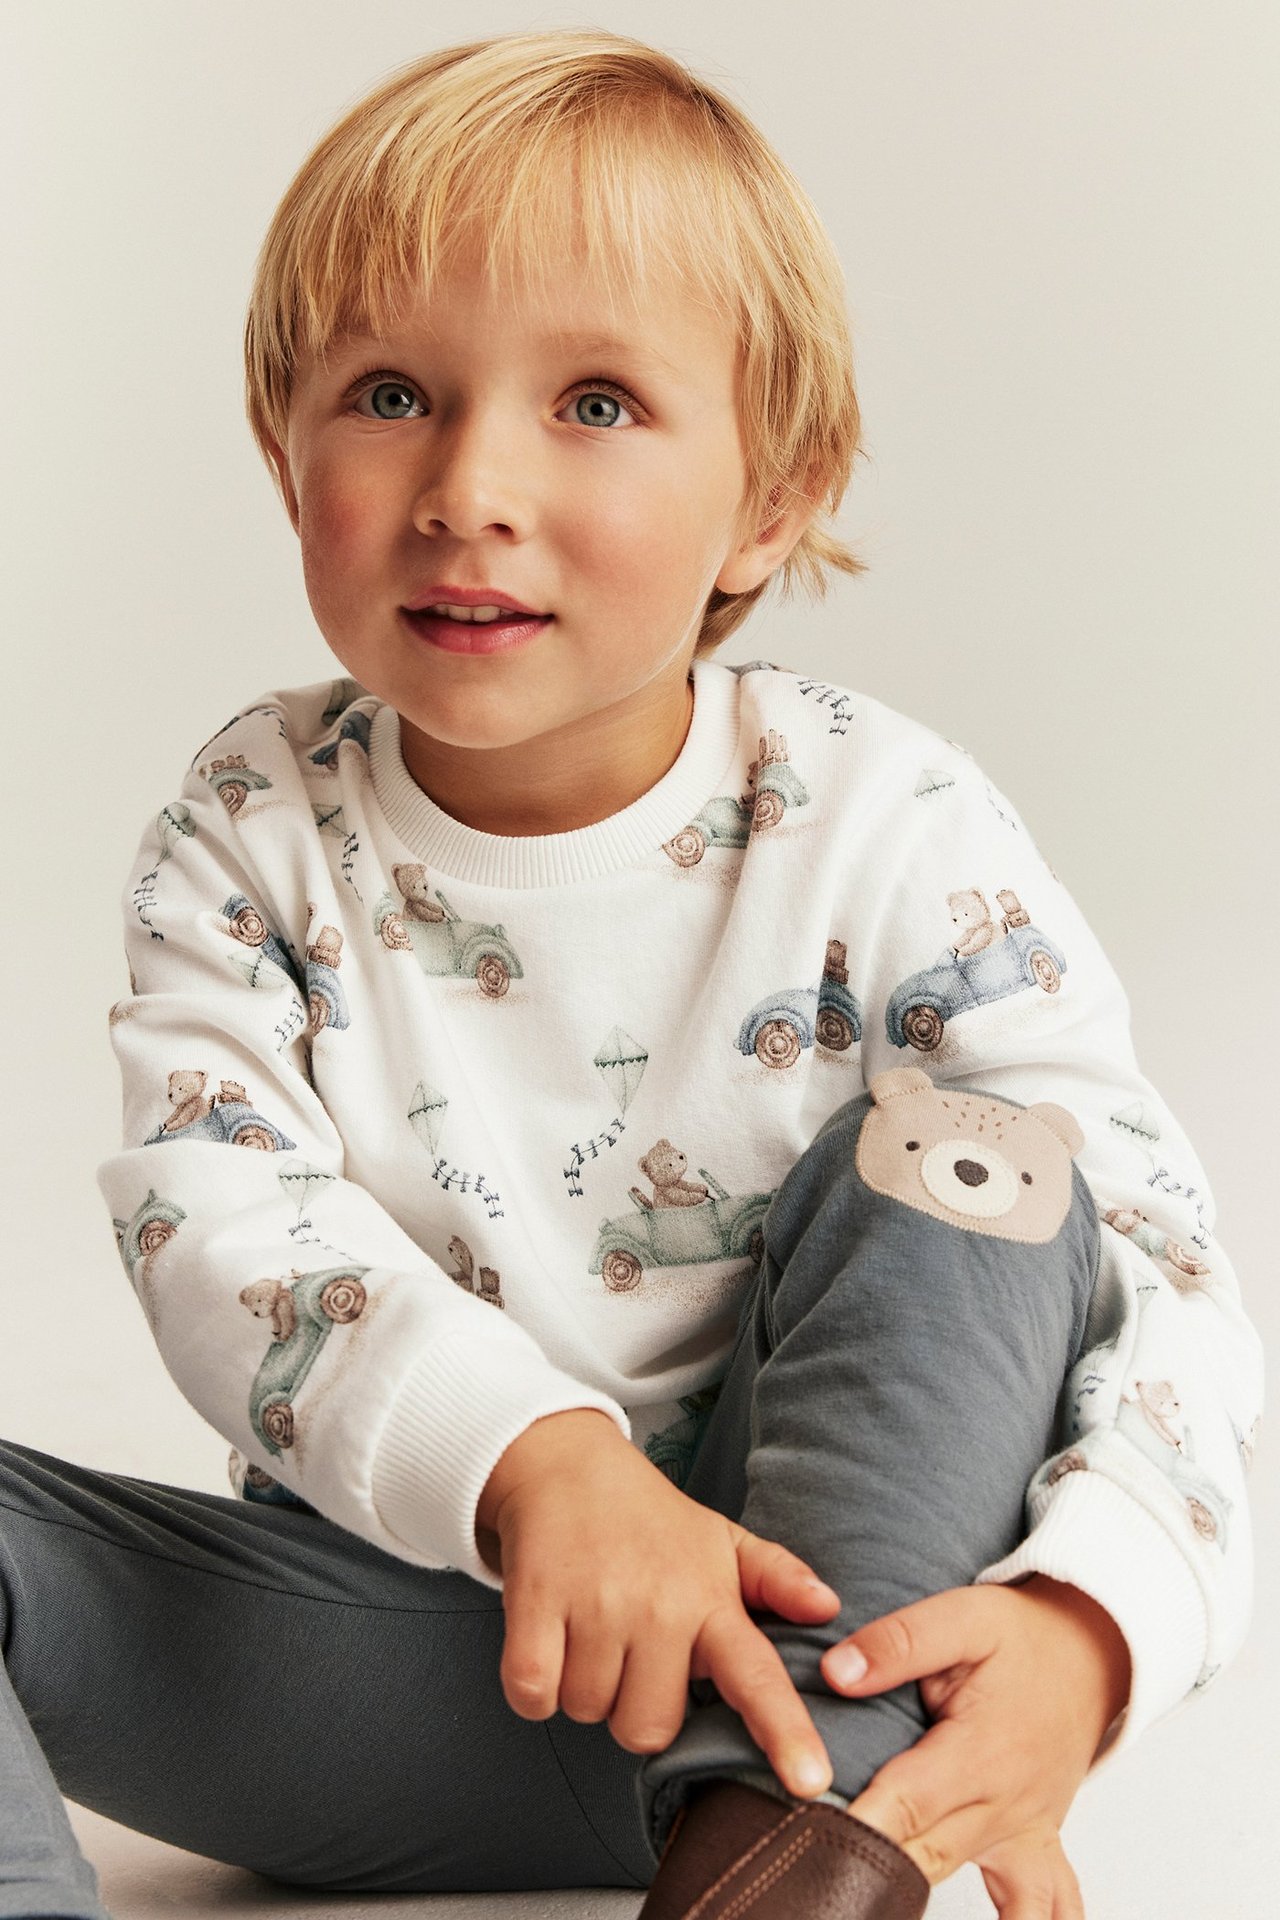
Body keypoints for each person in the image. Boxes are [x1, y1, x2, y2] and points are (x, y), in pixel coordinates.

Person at [0, 26, 1262, 1920]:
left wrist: (1094, 1624)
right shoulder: (250, 826)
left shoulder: (887, 820)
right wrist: (539, 1461)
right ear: (286, 459)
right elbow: (222, 1227)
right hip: (416, 1671)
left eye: (594, 402)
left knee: (974, 1160)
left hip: (834, 1684)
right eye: (393, 393)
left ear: (772, 495)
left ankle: (782, 1857)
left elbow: (1148, 1256)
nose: (471, 484)